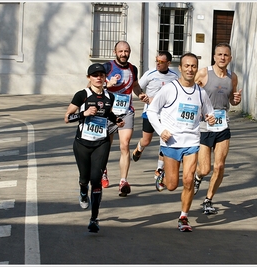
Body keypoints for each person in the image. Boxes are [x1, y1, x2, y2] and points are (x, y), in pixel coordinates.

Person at [147, 53, 216, 232]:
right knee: (171, 186)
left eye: (193, 66)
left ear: (197, 68)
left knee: (188, 180)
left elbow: (210, 112)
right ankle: (162, 174)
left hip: (192, 142)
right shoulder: (170, 89)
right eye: (187, 66)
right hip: (171, 142)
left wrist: (210, 118)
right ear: (181, 68)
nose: (190, 69)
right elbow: (152, 112)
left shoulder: (201, 93)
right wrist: (161, 131)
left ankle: (184, 217)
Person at [64, 63, 125, 232]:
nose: (98, 78)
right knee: (85, 179)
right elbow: (67, 118)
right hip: (82, 143)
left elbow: (108, 114)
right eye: (94, 75)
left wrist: (117, 120)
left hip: (101, 143)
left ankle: (94, 218)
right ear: (89, 78)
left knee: (96, 180)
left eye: (101, 75)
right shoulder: (82, 95)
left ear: (105, 78)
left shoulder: (110, 97)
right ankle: (83, 191)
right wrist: (84, 114)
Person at [193, 43, 242, 214]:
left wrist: (236, 99)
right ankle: (198, 177)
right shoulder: (204, 73)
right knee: (204, 169)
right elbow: (189, 94)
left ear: (230, 58)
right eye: (219, 54)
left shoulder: (232, 77)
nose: (222, 57)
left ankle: (208, 200)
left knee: (219, 166)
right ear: (214, 56)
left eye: (226, 55)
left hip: (223, 126)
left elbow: (232, 100)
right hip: (204, 126)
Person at [101, 41, 146, 196]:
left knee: (125, 145)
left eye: (126, 51)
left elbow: (134, 85)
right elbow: (91, 86)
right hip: (108, 113)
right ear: (115, 52)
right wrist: (108, 85)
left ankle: (123, 181)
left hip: (126, 112)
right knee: (105, 146)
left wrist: (140, 94)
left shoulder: (133, 68)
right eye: (121, 51)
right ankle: (103, 171)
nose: (124, 54)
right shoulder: (106, 68)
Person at [132, 51, 179, 179]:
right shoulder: (150, 74)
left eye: (162, 62)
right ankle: (140, 147)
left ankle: (159, 169)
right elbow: (137, 87)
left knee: (165, 141)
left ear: (168, 63)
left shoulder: (175, 76)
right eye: (157, 60)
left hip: (166, 115)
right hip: (150, 113)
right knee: (146, 140)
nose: (158, 63)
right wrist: (142, 95)